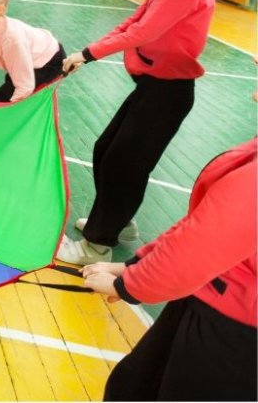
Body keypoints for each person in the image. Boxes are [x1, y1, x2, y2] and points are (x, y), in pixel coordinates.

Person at [57, 0, 231, 265]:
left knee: (124, 164)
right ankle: (117, 222)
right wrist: (88, 51)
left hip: (168, 95)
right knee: (106, 150)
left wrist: (88, 55)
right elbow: (131, 23)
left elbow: (141, 32)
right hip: (152, 89)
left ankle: (97, 244)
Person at [80, 136, 256, 401]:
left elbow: (203, 243)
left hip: (234, 332)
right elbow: (201, 223)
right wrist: (133, 266)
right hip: (212, 307)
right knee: (131, 388)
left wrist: (129, 285)